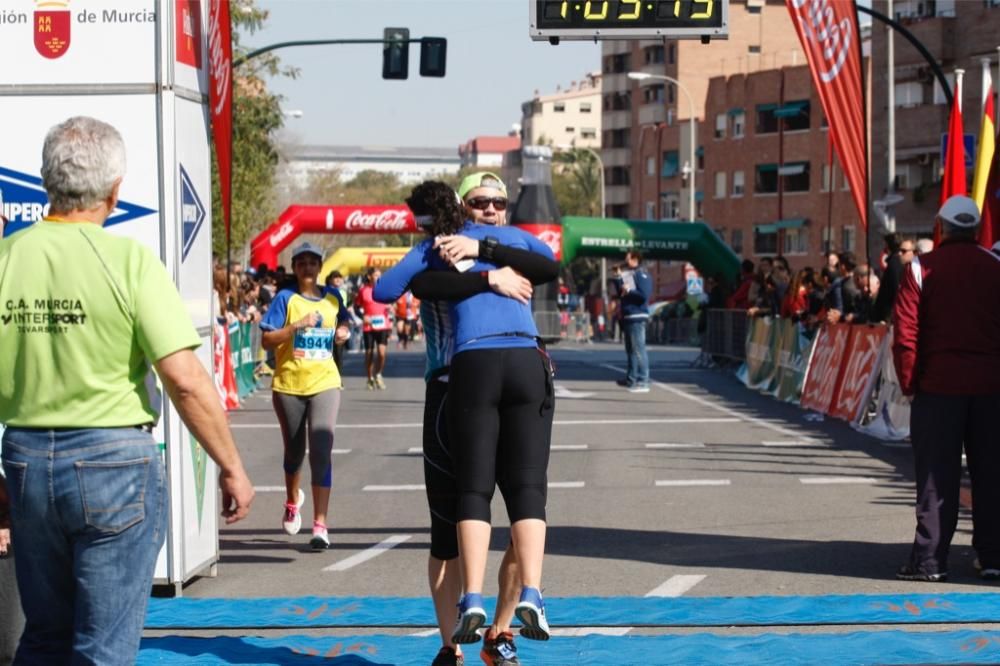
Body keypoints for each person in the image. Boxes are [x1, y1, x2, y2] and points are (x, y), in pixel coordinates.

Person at [0, 116, 254, 665]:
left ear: (47, 180)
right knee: (104, 646)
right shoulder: (129, 262)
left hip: (24, 459)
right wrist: (229, 465)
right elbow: (184, 379)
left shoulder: (7, 259)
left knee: (42, 635)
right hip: (111, 459)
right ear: (115, 191)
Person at [375, 175, 559, 660]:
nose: (492, 210)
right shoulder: (435, 248)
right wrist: (484, 275)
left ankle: (500, 631)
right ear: (462, 207)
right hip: (448, 384)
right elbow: (391, 289)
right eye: (482, 203)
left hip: (493, 372)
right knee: (448, 527)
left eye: (500, 202)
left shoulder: (511, 242)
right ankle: (451, 646)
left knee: (524, 507)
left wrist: (495, 258)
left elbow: (549, 264)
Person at [893, 195, 1000, 582]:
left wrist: (909, 383)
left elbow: (906, 334)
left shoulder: (921, 268)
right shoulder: (995, 266)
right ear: (975, 229)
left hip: (938, 389)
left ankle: (930, 561)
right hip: (991, 389)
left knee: (937, 477)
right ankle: (992, 556)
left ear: (941, 226)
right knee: (992, 475)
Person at [261, 242, 350, 551]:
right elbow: (267, 338)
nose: (308, 267)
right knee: (294, 452)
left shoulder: (333, 296)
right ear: (295, 267)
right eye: (302, 262)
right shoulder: (285, 298)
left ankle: (320, 524)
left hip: (326, 381)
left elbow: (344, 322)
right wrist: (296, 326)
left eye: (313, 262)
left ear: (320, 266)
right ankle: (291, 499)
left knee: (322, 451)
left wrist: (343, 333)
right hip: (288, 384)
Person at [615, 250, 653, 393]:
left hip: (637, 316)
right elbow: (621, 293)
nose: (625, 260)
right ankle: (631, 379)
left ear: (635, 259)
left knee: (639, 349)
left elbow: (644, 295)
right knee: (630, 350)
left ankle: (643, 381)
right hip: (628, 315)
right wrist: (618, 278)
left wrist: (629, 291)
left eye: (628, 258)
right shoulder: (629, 274)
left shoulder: (641, 273)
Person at [355, 268, 392, 389]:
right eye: (376, 275)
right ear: (370, 276)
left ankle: (378, 374)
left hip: (382, 325)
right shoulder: (363, 290)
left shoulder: (385, 289)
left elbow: (392, 303)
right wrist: (362, 317)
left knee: (381, 353)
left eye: (380, 275)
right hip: (368, 326)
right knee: (369, 353)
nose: (378, 277)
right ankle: (370, 378)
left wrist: (390, 307)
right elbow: (356, 307)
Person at [325, 270, 349, 373]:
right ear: (329, 280)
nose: (338, 279)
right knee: (328, 353)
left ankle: (337, 377)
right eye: (335, 277)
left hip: (340, 323)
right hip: (328, 324)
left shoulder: (343, 292)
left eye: (340, 277)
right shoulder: (325, 291)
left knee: (339, 353)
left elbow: (346, 307)